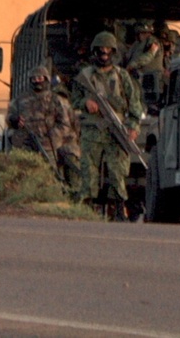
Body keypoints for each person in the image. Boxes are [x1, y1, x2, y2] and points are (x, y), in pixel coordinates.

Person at [71, 31, 145, 221]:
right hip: (92, 130)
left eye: (107, 50)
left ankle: (119, 209)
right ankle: (87, 209)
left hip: (116, 130)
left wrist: (133, 126)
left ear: (113, 52)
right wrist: (86, 103)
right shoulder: (85, 76)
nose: (104, 54)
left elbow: (135, 104)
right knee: (89, 170)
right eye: (100, 50)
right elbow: (74, 100)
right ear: (94, 52)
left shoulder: (122, 76)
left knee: (118, 171)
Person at [5, 66, 82, 195]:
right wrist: (13, 119)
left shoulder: (56, 100)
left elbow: (65, 125)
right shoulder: (20, 100)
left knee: (50, 172)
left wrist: (50, 138)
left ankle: (54, 194)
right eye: (34, 79)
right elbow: (9, 118)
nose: (37, 81)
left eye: (40, 78)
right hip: (27, 143)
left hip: (50, 144)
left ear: (46, 79)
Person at [124, 21, 164, 109]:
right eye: (141, 33)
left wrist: (132, 65)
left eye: (144, 33)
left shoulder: (152, 42)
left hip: (150, 82)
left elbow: (148, 56)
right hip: (136, 81)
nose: (142, 36)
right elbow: (127, 57)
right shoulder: (136, 44)